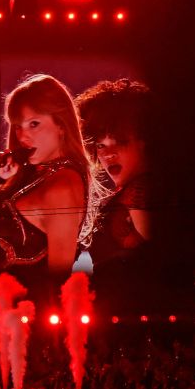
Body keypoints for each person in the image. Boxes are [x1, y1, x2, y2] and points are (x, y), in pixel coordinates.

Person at [0, 74, 89, 286]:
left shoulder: (63, 185)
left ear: (61, 125)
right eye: (18, 126)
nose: (23, 136)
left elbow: (59, 276)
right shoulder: (30, 174)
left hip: (25, 309)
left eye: (34, 124)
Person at [75, 78, 155, 281]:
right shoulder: (129, 191)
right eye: (100, 145)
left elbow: (154, 258)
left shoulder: (141, 191)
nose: (108, 154)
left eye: (120, 141)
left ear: (143, 141)